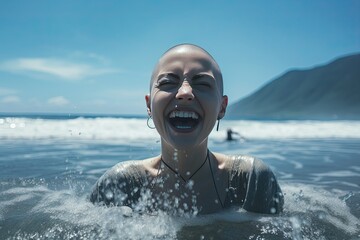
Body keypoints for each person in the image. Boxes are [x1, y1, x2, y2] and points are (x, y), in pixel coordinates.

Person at [90, 44, 284, 215]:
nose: (185, 93)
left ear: (222, 107)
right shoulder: (121, 184)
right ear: (149, 105)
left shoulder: (249, 181)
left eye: (202, 84)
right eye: (167, 83)